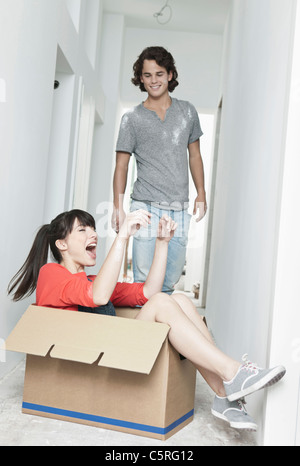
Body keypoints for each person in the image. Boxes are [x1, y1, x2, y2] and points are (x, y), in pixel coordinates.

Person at [8, 208, 286, 432]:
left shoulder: (92, 280)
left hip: (114, 352)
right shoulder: (51, 273)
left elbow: (148, 292)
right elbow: (98, 296)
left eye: (92, 228)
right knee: (163, 302)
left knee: (178, 299)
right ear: (61, 244)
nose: (92, 233)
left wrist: (162, 244)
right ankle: (233, 372)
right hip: (93, 363)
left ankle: (224, 395)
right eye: (83, 229)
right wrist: (123, 237)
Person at [112, 46, 207, 293]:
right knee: (143, 282)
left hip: (179, 208)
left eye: (159, 73)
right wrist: (117, 207)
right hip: (144, 206)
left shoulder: (187, 111)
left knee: (169, 280)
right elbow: (121, 166)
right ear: (140, 78)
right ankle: (141, 331)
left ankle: (160, 330)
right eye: (147, 75)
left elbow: (194, 155)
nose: (154, 80)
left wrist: (202, 192)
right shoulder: (131, 119)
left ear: (170, 75)